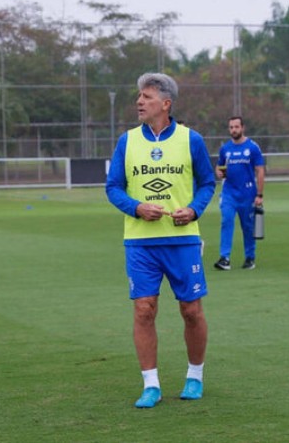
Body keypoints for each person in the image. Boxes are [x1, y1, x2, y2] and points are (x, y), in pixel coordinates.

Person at [106, 73, 216, 408]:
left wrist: (194, 211)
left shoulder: (190, 140)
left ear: (165, 104)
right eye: (138, 96)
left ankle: (194, 376)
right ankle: (150, 385)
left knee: (192, 311)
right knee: (143, 310)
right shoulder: (127, 141)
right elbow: (113, 188)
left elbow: (207, 183)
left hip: (182, 241)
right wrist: (137, 207)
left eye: (147, 97)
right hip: (140, 243)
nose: (139, 102)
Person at [214, 116, 265, 271]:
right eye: (231, 127)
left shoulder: (253, 147)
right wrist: (220, 173)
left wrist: (259, 194)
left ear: (243, 128)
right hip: (229, 193)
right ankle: (225, 258)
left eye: (236, 127)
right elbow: (219, 167)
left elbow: (260, 171)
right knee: (226, 221)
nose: (233, 130)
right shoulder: (225, 148)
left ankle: (250, 257)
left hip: (248, 193)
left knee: (248, 227)